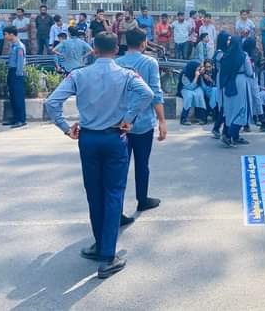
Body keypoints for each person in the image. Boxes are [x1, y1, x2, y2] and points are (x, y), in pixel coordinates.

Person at [45, 31, 154, 278]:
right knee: (113, 193)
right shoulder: (126, 75)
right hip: (114, 137)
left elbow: (52, 103)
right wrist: (128, 119)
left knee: (94, 193)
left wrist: (65, 127)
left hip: (88, 138)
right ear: (117, 50)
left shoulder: (79, 75)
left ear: (94, 49)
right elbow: (147, 94)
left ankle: (99, 245)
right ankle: (108, 255)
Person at [115, 27, 166, 223]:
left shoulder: (117, 63)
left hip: (121, 124)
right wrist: (162, 120)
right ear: (144, 43)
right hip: (143, 123)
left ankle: (117, 209)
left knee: (120, 167)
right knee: (142, 164)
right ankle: (142, 199)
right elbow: (155, 92)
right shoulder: (150, 62)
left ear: (127, 43)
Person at [219, 36, 256, 147]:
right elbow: (249, 72)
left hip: (228, 83)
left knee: (230, 110)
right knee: (242, 109)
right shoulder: (243, 55)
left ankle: (233, 136)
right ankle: (230, 135)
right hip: (240, 83)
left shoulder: (225, 55)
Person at [3, 26, 27, 128]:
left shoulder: (19, 46)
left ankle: (21, 119)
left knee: (18, 97)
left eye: (5, 34)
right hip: (12, 71)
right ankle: (15, 118)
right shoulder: (13, 45)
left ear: (11, 34)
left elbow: (20, 63)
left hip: (17, 73)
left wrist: (18, 75)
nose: (4, 36)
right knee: (12, 96)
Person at [177, 60, 208, 125]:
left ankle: (202, 118)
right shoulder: (184, 74)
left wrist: (203, 74)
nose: (199, 68)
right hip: (186, 88)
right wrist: (196, 77)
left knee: (200, 95)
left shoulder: (199, 72)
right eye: (198, 67)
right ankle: (183, 118)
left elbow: (201, 84)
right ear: (193, 67)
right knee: (189, 96)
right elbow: (190, 87)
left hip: (196, 87)